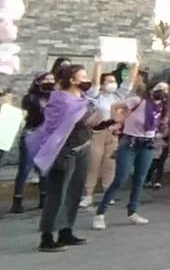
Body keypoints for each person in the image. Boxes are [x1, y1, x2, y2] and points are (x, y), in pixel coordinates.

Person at [30, 63, 98, 251]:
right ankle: (47, 237)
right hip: (64, 151)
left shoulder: (83, 97)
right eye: (82, 76)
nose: (86, 80)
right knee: (57, 194)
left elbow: (87, 123)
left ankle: (65, 231)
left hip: (82, 147)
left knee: (74, 191)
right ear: (72, 79)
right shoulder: (60, 100)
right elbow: (53, 128)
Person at [93, 77, 166, 229]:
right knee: (120, 177)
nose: (162, 92)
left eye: (165, 89)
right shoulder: (137, 101)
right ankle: (100, 213)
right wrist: (117, 119)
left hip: (147, 143)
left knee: (140, 178)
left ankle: (132, 211)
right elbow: (114, 106)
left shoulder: (162, 107)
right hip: (130, 142)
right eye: (159, 88)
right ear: (151, 89)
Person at [81, 66, 128, 207]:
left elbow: (128, 84)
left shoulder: (117, 97)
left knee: (110, 164)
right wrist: (97, 63)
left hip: (112, 133)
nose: (112, 83)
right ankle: (88, 194)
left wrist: (135, 64)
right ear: (102, 84)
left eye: (114, 81)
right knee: (93, 164)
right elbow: (94, 84)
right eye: (109, 81)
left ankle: (108, 193)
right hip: (97, 133)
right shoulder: (96, 96)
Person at [9, 72, 54, 214]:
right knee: (25, 168)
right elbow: (36, 113)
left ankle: (44, 199)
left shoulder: (55, 97)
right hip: (32, 134)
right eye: (46, 79)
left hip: (47, 137)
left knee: (44, 169)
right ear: (38, 82)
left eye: (52, 79)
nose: (50, 82)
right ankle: (17, 200)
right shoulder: (30, 98)